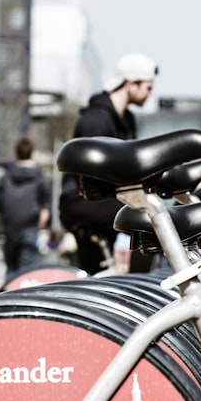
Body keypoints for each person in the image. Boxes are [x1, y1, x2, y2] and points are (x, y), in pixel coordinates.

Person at [58, 52, 158, 274]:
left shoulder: (126, 120)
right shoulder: (96, 120)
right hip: (82, 198)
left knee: (94, 272)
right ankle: (139, 288)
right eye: (148, 87)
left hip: (104, 199)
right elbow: (92, 172)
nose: (150, 94)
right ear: (131, 84)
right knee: (150, 219)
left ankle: (123, 290)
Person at [0, 137, 51, 284]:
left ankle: (7, 301)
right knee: (27, 271)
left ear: (16, 154)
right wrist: (42, 221)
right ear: (32, 153)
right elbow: (46, 202)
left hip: (10, 227)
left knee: (11, 269)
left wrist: (4, 219)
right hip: (30, 225)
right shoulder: (39, 176)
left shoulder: (6, 176)